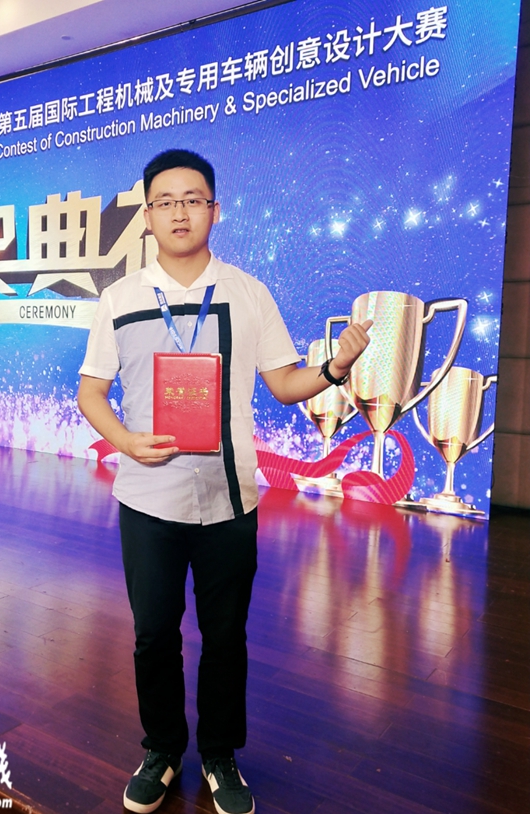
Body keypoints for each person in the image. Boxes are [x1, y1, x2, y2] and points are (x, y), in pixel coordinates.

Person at [77, 149, 371, 814]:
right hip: (146, 498)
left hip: (230, 498)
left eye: (193, 199)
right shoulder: (120, 299)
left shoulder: (247, 292)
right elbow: (91, 391)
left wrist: (335, 368)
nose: (180, 212)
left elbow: (285, 384)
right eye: (165, 202)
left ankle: (218, 754)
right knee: (154, 634)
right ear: (146, 216)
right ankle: (160, 749)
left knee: (225, 636)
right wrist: (125, 441)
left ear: (216, 209)